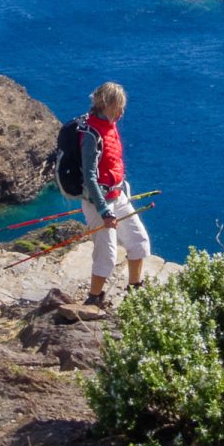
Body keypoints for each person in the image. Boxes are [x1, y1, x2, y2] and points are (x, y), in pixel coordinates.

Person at [78, 81, 151, 308]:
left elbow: (112, 164)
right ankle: (94, 299)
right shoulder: (91, 134)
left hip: (117, 196)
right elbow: (90, 177)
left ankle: (135, 292)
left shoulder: (110, 125)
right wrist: (103, 210)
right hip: (99, 202)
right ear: (106, 104)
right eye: (119, 106)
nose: (122, 111)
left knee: (139, 241)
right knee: (107, 254)